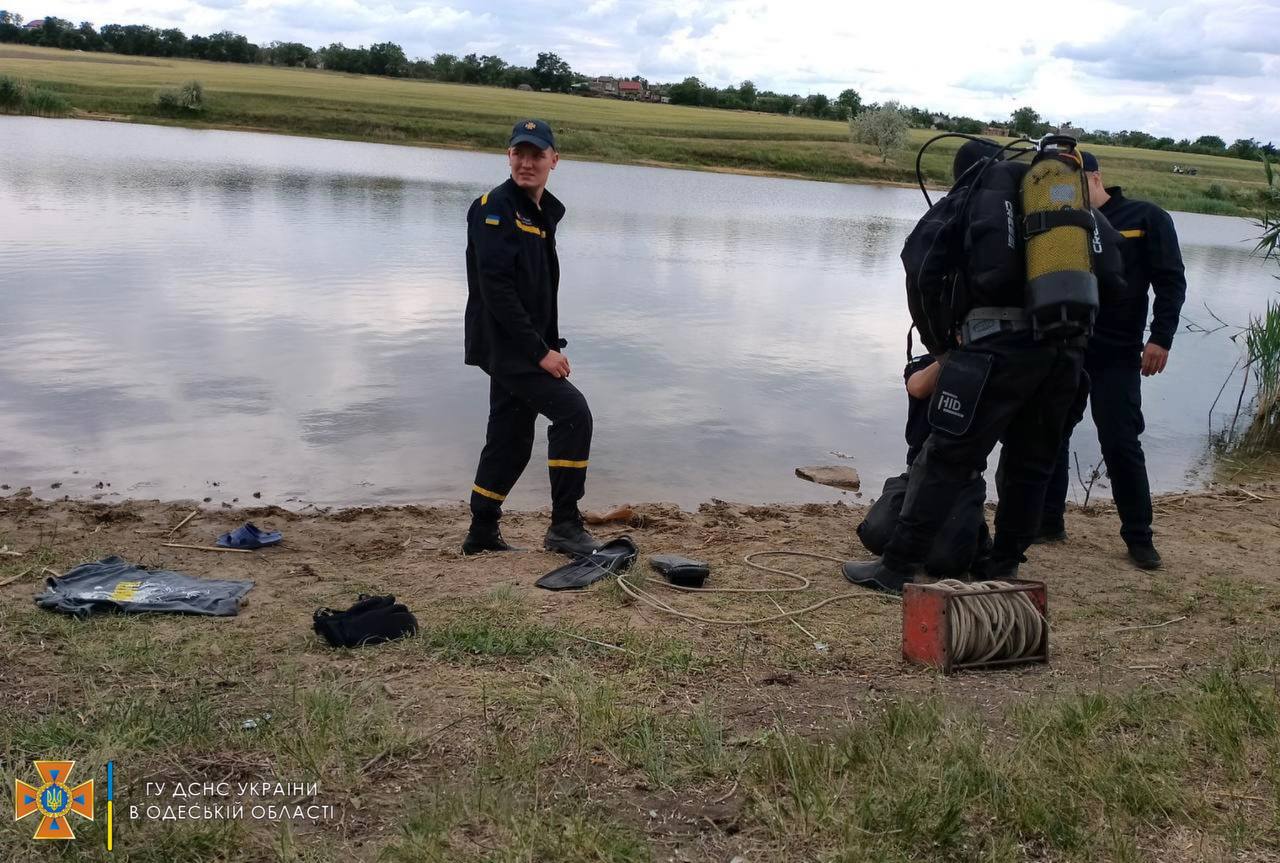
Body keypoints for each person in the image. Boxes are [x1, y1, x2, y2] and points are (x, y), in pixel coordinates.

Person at [842, 139, 1127, 593]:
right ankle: (1004, 566)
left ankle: (895, 570)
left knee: (947, 457)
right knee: (1031, 464)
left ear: (962, 172)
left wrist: (942, 345)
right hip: (1065, 354)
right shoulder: (1060, 201)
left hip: (994, 348)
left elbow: (921, 261)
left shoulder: (979, 190)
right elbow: (1113, 275)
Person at [1039, 152, 1187, 569]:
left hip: (1119, 354)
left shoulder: (1146, 217)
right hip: (1066, 349)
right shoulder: (1058, 221)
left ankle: (1139, 537)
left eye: (1073, 180)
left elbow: (1171, 281)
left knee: (1121, 442)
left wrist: (1161, 338)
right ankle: (1049, 523)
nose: (1064, 189)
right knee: (1052, 434)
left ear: (1096, 176)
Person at [460, 119, 600, 558]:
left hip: (522, 345)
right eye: (519, 153)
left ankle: (482, 530)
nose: (526, 162)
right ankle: (564, 525)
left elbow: (538, 290)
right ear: (508, 156)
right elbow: (497, 291)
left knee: (511, 434)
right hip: (507, 345)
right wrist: (540, 353)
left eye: (536, 154)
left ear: (554, 160)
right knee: (573, 414)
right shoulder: (494, 208)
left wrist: (551, 341)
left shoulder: (539, 212)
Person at [855, 350, 991, 579]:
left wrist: (974, 354)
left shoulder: (988, 367)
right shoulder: (925, 362)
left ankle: (979, 537)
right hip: (917, 474)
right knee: (875, 535)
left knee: (945, 563)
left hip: (964, 480)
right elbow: (918, 388)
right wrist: (952, 356)